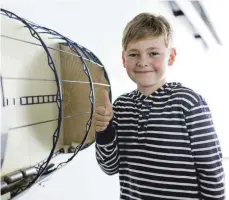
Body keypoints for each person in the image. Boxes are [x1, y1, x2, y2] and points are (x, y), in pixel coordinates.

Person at [93, 12, 225, 200]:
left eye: (153, 53)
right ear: (124, 59)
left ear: (170, 57)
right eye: (133, 54)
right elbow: (110, 167)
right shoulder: (120, 107)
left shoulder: (188, 103)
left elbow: (211, 171)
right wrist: (104, 130)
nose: (143, 62)